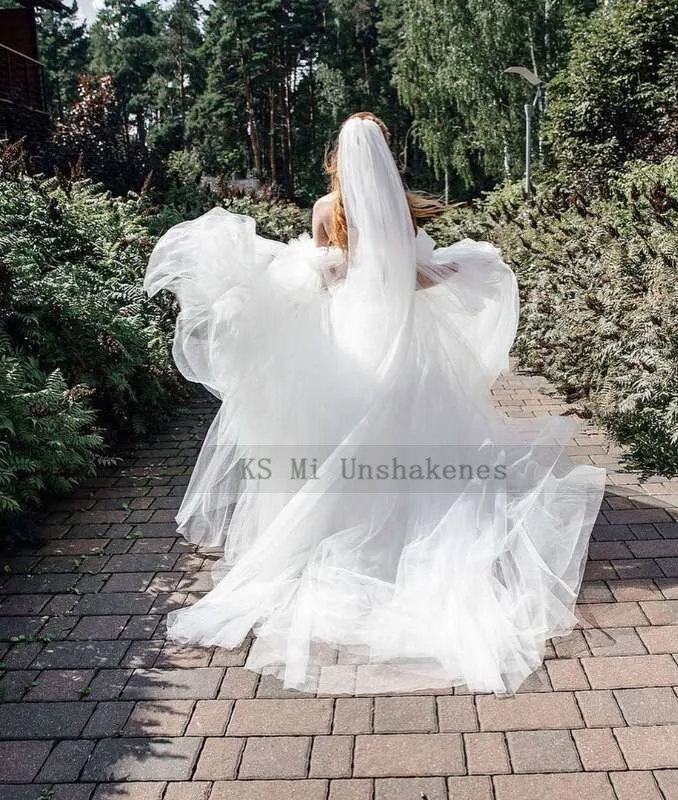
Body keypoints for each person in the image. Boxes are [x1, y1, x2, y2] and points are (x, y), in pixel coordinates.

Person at [143, 111, 605, 696]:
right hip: (402, 336)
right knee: (415, 429)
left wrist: (323, 280)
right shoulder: (399, 208)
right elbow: (412, 279)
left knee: (340, 435)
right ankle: (407, 523)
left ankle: (333, 524)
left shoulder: (322, 210)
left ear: (338, 154)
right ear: (383, 156)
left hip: (348, 333)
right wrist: (460, 270)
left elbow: (322, 281)